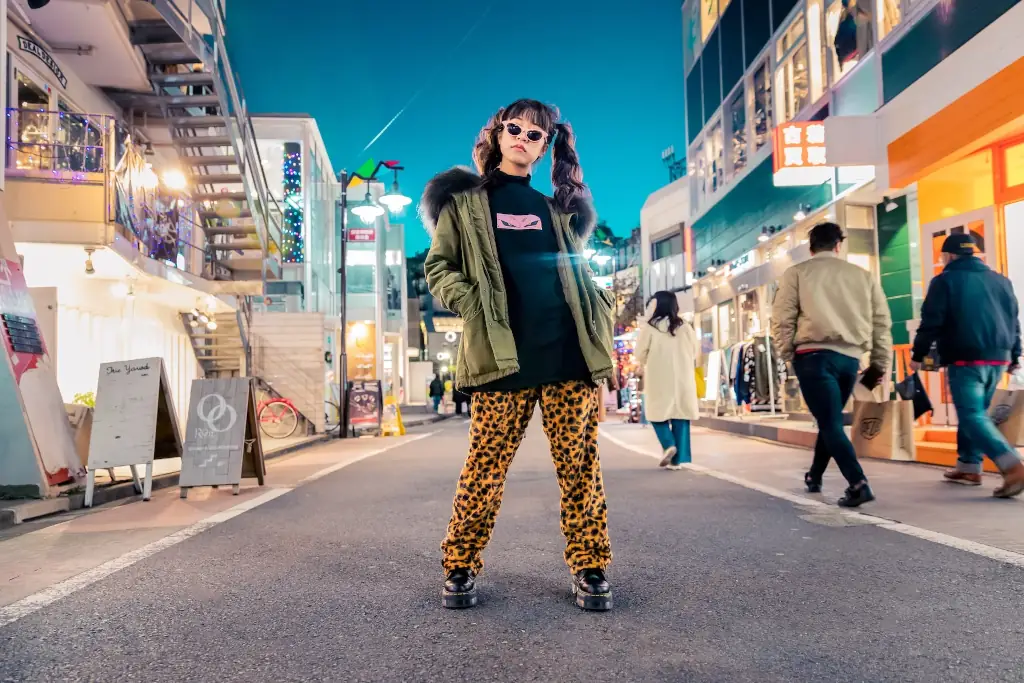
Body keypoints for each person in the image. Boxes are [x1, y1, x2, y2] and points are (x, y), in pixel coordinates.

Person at [421, 98, 616, 611]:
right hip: (500, 359)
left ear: (545, 146)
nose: (522, 140)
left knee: (580, 467)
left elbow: (574, 276)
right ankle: (460, 565)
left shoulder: (555, 211)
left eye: (535, 135)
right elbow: (438, 267)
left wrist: (599, 325)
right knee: (485, 467)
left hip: (567, 356)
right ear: (497, 133)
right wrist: (471, 303)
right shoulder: (465, 204)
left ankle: (590, 566)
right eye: (515, 129)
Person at [771, 221, 892, 508]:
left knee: (829, 421)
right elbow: (881, 322)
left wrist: (788, 353)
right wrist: (879, 363)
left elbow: (782, 318)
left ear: (811, 247)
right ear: (838, 245)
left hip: (812, 356)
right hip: (850, 359)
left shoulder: (797, 273)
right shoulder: (863, 276)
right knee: (830, 419)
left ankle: (858, 482)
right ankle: (814, 476)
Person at [910, 234, 1024, 498]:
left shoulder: (945, 281)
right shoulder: (1001, 281)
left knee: (972, 414)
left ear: (949, 256)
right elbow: (1014, 321)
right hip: (998, 356)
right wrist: (1015, 356)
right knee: (976, 413)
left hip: (966, 356)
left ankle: (1012, 464)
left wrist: (918, 353)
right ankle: (969, 466)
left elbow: (931, 321)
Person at [636, 291, 700, 470]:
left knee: (656, 414)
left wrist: (646, 360)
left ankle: (668, 444)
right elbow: (695, 351)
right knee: (681, 415)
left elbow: (639, 353)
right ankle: (676, 460)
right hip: (683, 378)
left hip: (658, 377)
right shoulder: (685, 326)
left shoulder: (650, 327)